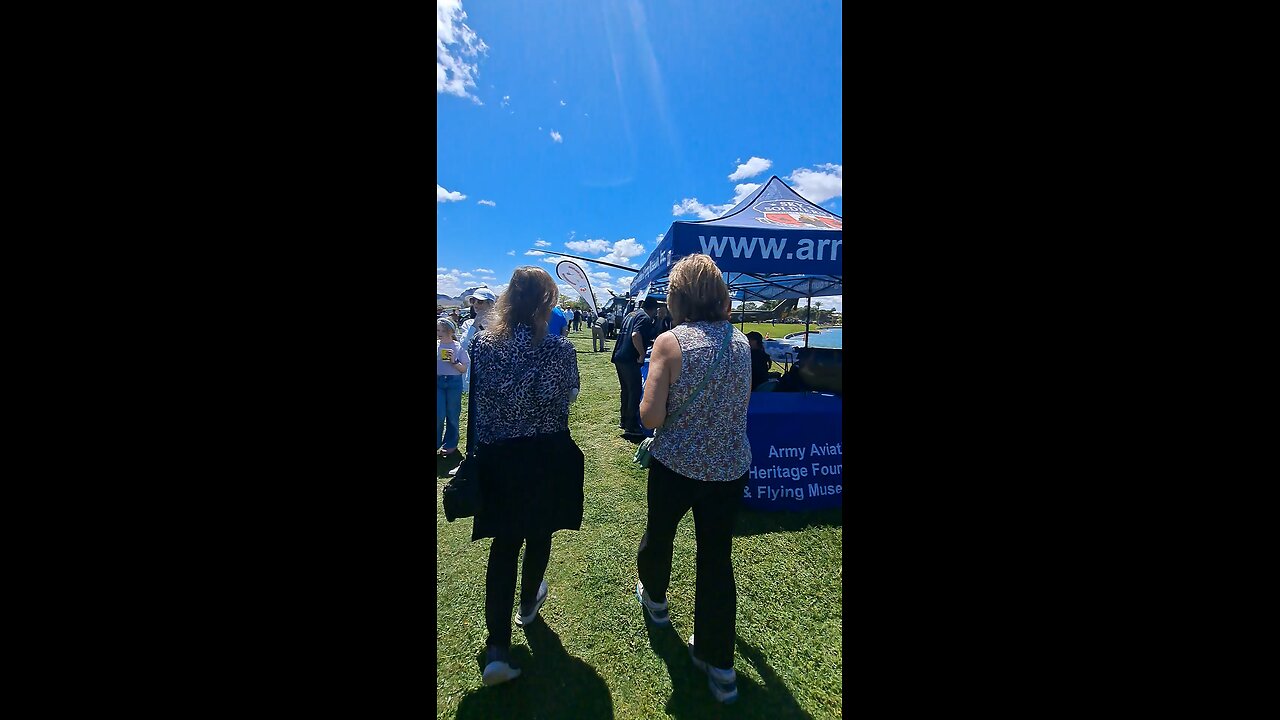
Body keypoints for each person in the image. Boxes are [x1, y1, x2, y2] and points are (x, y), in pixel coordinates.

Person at [634, 253, 751, 705]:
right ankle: (720, 667)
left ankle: (657, 602)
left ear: (678, 296)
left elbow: (650, 416)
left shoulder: (669, 342)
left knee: (660, 535)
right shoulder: (740, 342)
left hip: (677, 466)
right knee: (716, 561)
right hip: (728, 469)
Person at [467, 266, 584, 687]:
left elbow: (477, 400)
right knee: (539, 531)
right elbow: (569, 396)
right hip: (545, 453)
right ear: (544, 304)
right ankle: (529, 603)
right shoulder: (559, 350)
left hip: (499, 455)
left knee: (504, 544)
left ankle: (497, 647)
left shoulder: (482, 345)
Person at [611, 296, 659, 439]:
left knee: (626, 390)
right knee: (635, 390)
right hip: (630, 358)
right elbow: (635, 334)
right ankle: (631, 426)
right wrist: (641, 353)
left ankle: (624, 420)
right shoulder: (645, 318)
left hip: (620, 356)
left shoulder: (631, 314)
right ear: (654, 309)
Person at [437, 318, 469, 456]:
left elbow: (463, 369)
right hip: (438, 382)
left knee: (452, 414)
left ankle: (450, 444)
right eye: (437, 330)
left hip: (454, 383)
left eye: (441, 330)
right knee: (438, 414)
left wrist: (454, 361)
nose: (438, 333)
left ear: (450, 331)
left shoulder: (458, 347)